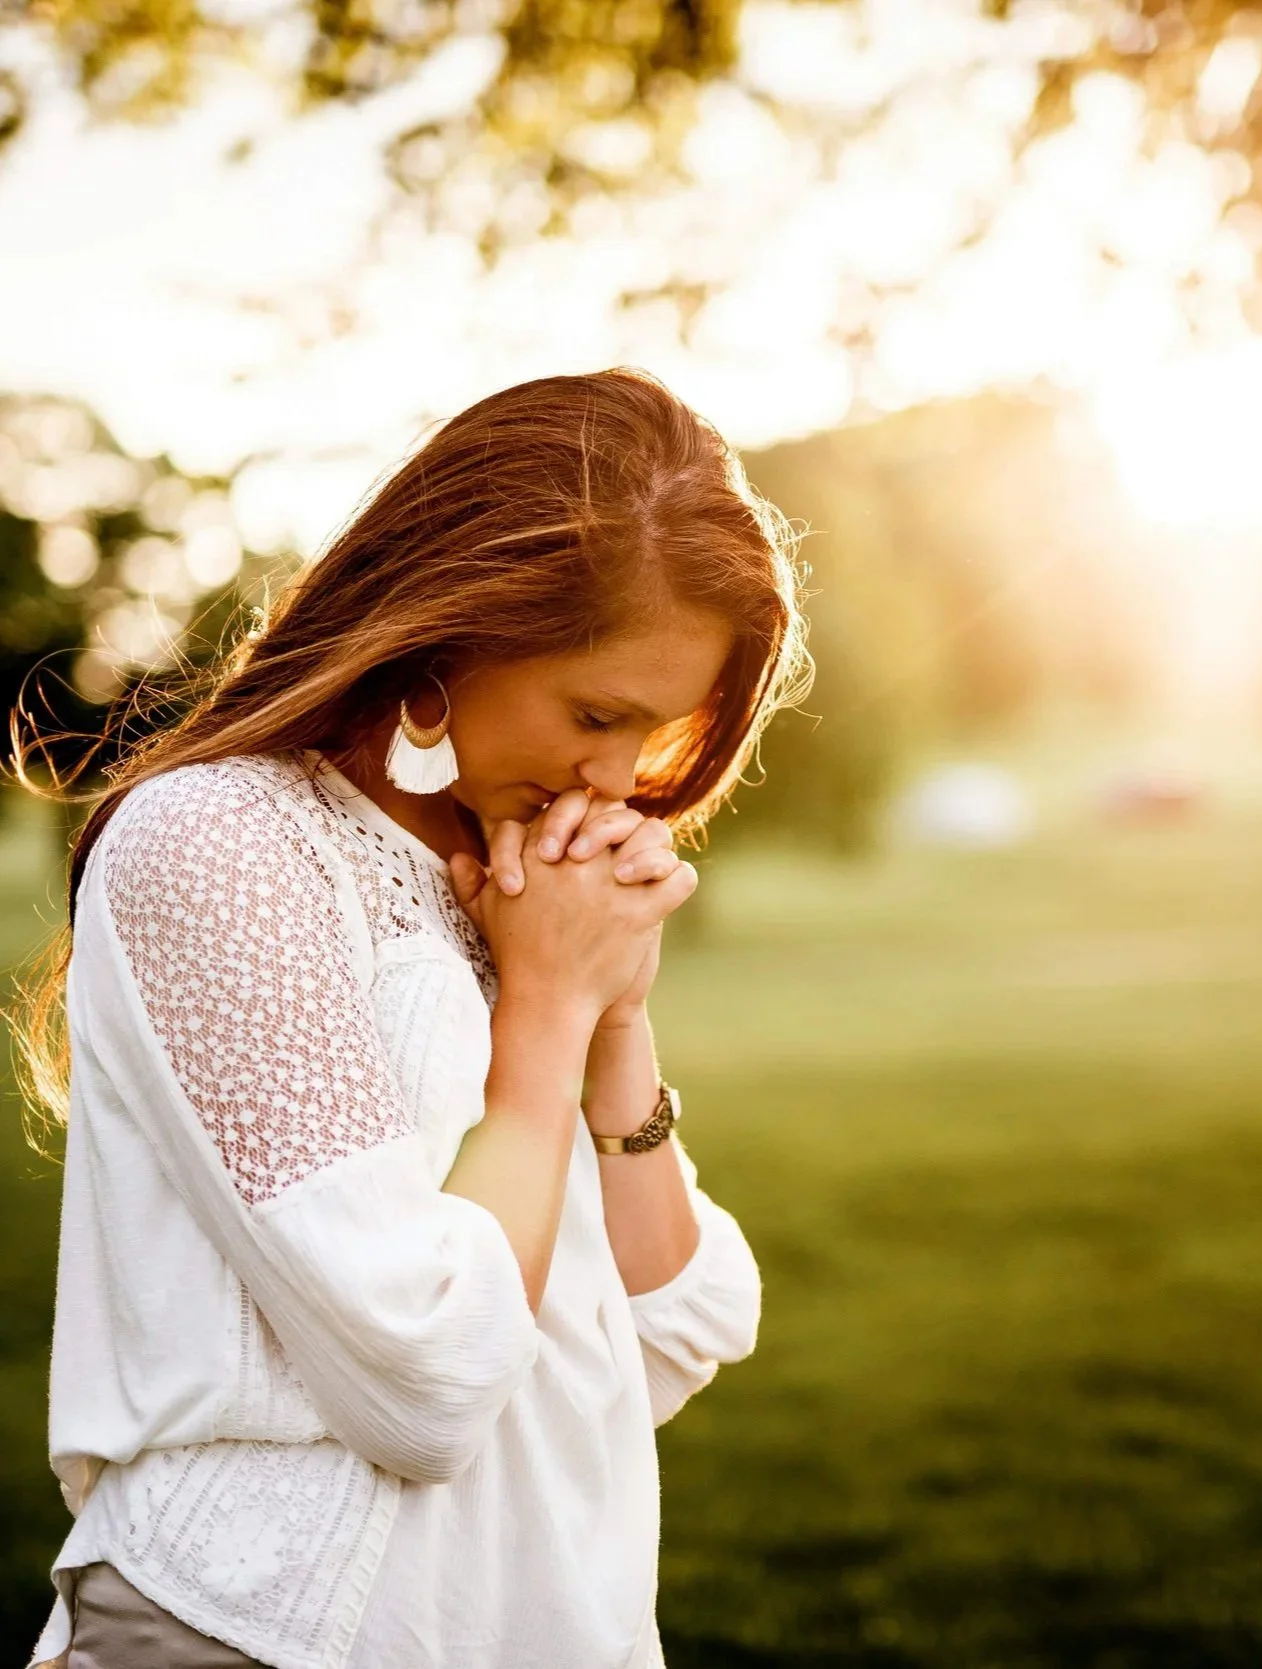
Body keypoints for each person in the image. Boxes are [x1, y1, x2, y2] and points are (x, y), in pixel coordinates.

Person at [9, 367, 811, 1669]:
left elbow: (676, 1326)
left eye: (653, 732)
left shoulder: (515, 877)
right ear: (452, 630)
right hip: (250, 1633)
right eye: (595, 714)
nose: (618, 780)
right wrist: (546, 1010)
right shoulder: (222, 847)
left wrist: (613, 1016)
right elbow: (430, 1374)